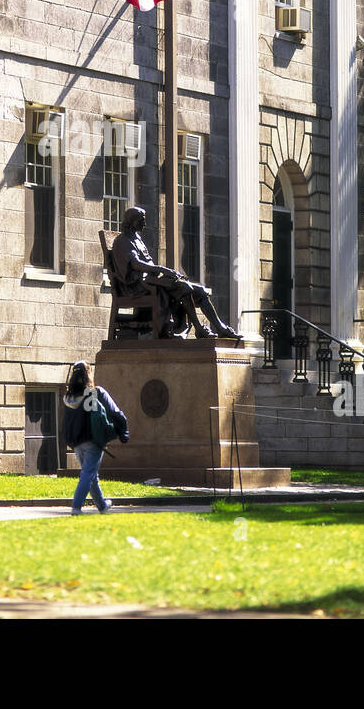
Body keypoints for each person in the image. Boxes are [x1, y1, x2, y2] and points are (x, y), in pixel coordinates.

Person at [110, 206, 240, 339]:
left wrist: (165, 273)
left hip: (151, 280)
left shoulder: (137, 238)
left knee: (200, 291)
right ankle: (198, 328)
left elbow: (147, 264)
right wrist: (163, 269)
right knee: (184, 287)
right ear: (133, 221)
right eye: (142, 220)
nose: (145, 223)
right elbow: (136, 264)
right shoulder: (123, 241)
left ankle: (220, 328)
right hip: (138, 286)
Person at [61, 361, 129, 515]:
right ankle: (76, 507)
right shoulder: (94, 393)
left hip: (76, 442)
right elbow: (116, 412)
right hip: (93, 440)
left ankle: (103, 506)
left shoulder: (68, 397)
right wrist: (124, 431)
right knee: (88, 473)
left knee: (91, 474)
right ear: (89, 373)